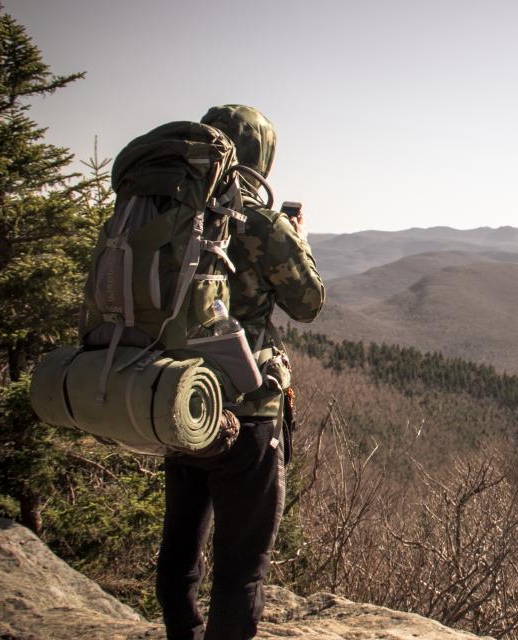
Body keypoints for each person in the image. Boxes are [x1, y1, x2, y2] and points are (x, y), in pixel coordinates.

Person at [155, 104, 325, 640]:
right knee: (241, 564)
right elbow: (308, 302)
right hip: (246, 409)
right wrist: (297, 238)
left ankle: (182, 633)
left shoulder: (169, 211)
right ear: (261, 157)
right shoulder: (259, 222)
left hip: (177, 397)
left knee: (180, 540)